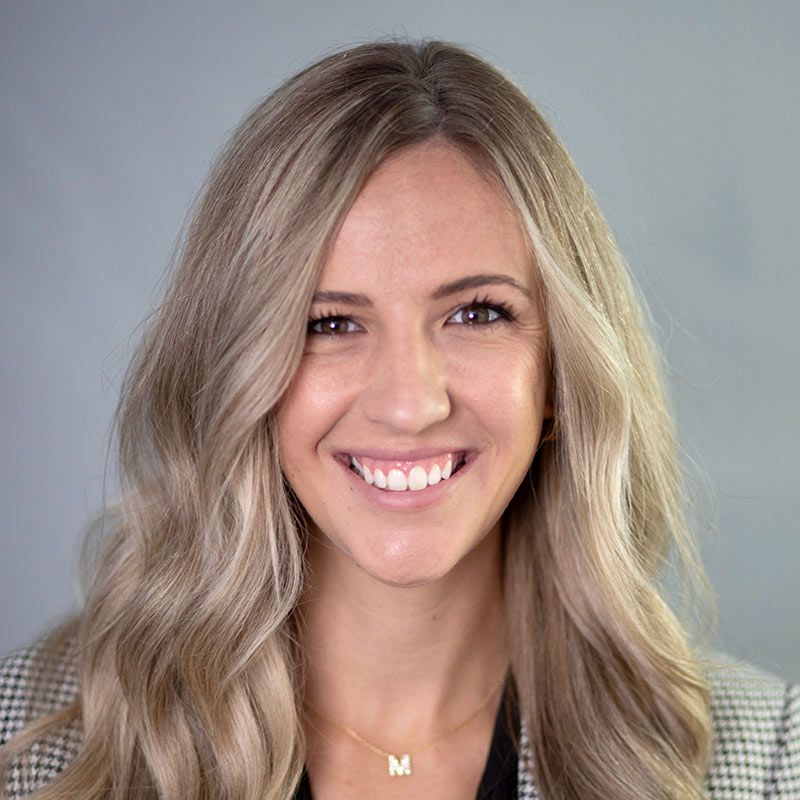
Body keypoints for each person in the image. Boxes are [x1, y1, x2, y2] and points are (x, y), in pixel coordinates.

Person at [0, 38, 797, 800]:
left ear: (561, 372)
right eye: (330, 324)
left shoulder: (769, 758)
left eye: (478, 314)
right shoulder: (29, 746)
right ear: (237, 376)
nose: (411, 404)